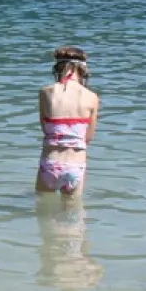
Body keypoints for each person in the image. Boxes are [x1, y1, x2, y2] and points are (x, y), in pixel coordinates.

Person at [37, 46, 100, 196]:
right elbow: (88, 137)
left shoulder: (46, 93)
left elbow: (45, 129)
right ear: (83, 69)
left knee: (44, 214)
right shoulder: (92, 97)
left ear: (57, 67)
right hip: (75, 165)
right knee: (74, 215)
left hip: (50, 163)